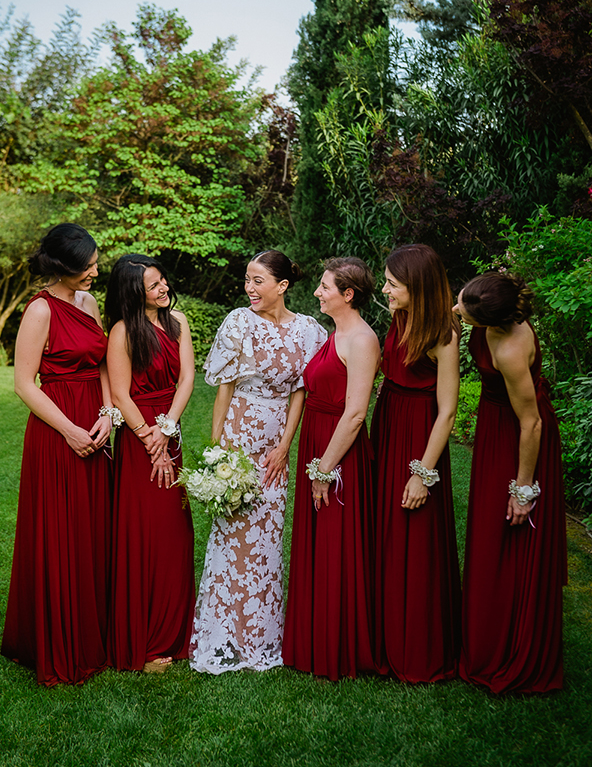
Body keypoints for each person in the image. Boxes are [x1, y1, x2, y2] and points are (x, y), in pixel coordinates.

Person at [189, 250, 327, 674]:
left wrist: (286, 444)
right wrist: (217, 447)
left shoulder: (308, 330)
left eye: (258, 280)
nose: (249, 288)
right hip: (238, 436)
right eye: (247, 280)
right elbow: (225, 388)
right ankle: (223, 632)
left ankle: (261, 637)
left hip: (275, 443)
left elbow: (301, 390)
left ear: (282, 286)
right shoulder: (238, 322)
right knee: (231, 534)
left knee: (267, 539)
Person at [1, 223, 114, 686]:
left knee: (92, 529)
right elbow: (25, 384)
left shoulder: (88, 302)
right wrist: (69, 430)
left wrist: (109, 412)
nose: (94, 271)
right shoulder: (39, 310)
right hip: (57, 428)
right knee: (61, 530)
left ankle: (94, 631)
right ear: (62, 268)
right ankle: (59, 639)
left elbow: (104, 361)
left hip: (96, 420)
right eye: (86, 266)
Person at [454, 272, 567, 694]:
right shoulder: (491, 319)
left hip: (520, 439)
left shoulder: (510, 348)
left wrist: (523, 489)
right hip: (494, 427)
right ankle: (483, 639)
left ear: (491, 322)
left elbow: (532, 422)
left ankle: (513, 649)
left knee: (510, 535)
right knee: (486, 535)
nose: (455, 309)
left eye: (462, 307)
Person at [283, 257, 381, 680]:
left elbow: (356, 412)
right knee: (318, 543)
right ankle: (312, 638)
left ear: (348, 294)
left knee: (337, 544)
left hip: (340, 454)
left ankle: (339, 645)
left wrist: (325, 470)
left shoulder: (361, 339)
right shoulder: (334, 332)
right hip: (319, 442)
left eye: (325, 287)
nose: (318, 292)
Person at [371, 244, 461, 683]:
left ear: (418, 288)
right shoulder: (398, 317)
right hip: (389, 423)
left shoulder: (444, 333)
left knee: (417, 538)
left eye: (392, 284)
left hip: (420, 433)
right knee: (386, 531)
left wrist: (422, 473)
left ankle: (418, 646)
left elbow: (447, 410)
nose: (385, 289)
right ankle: (384, 635)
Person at [106, 254, 196, 673]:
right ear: (133, 293)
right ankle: (146, 640)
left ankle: (178, 631)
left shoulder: (178, 322)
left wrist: (168, 429)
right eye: (152, 285)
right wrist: (149, 439)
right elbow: (121, 394)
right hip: (138, 439)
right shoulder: (123, 332)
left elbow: (187, 380)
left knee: (175, 533)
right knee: (145, 533)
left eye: (162, 282)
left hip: (168, 431)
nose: (162, 289)